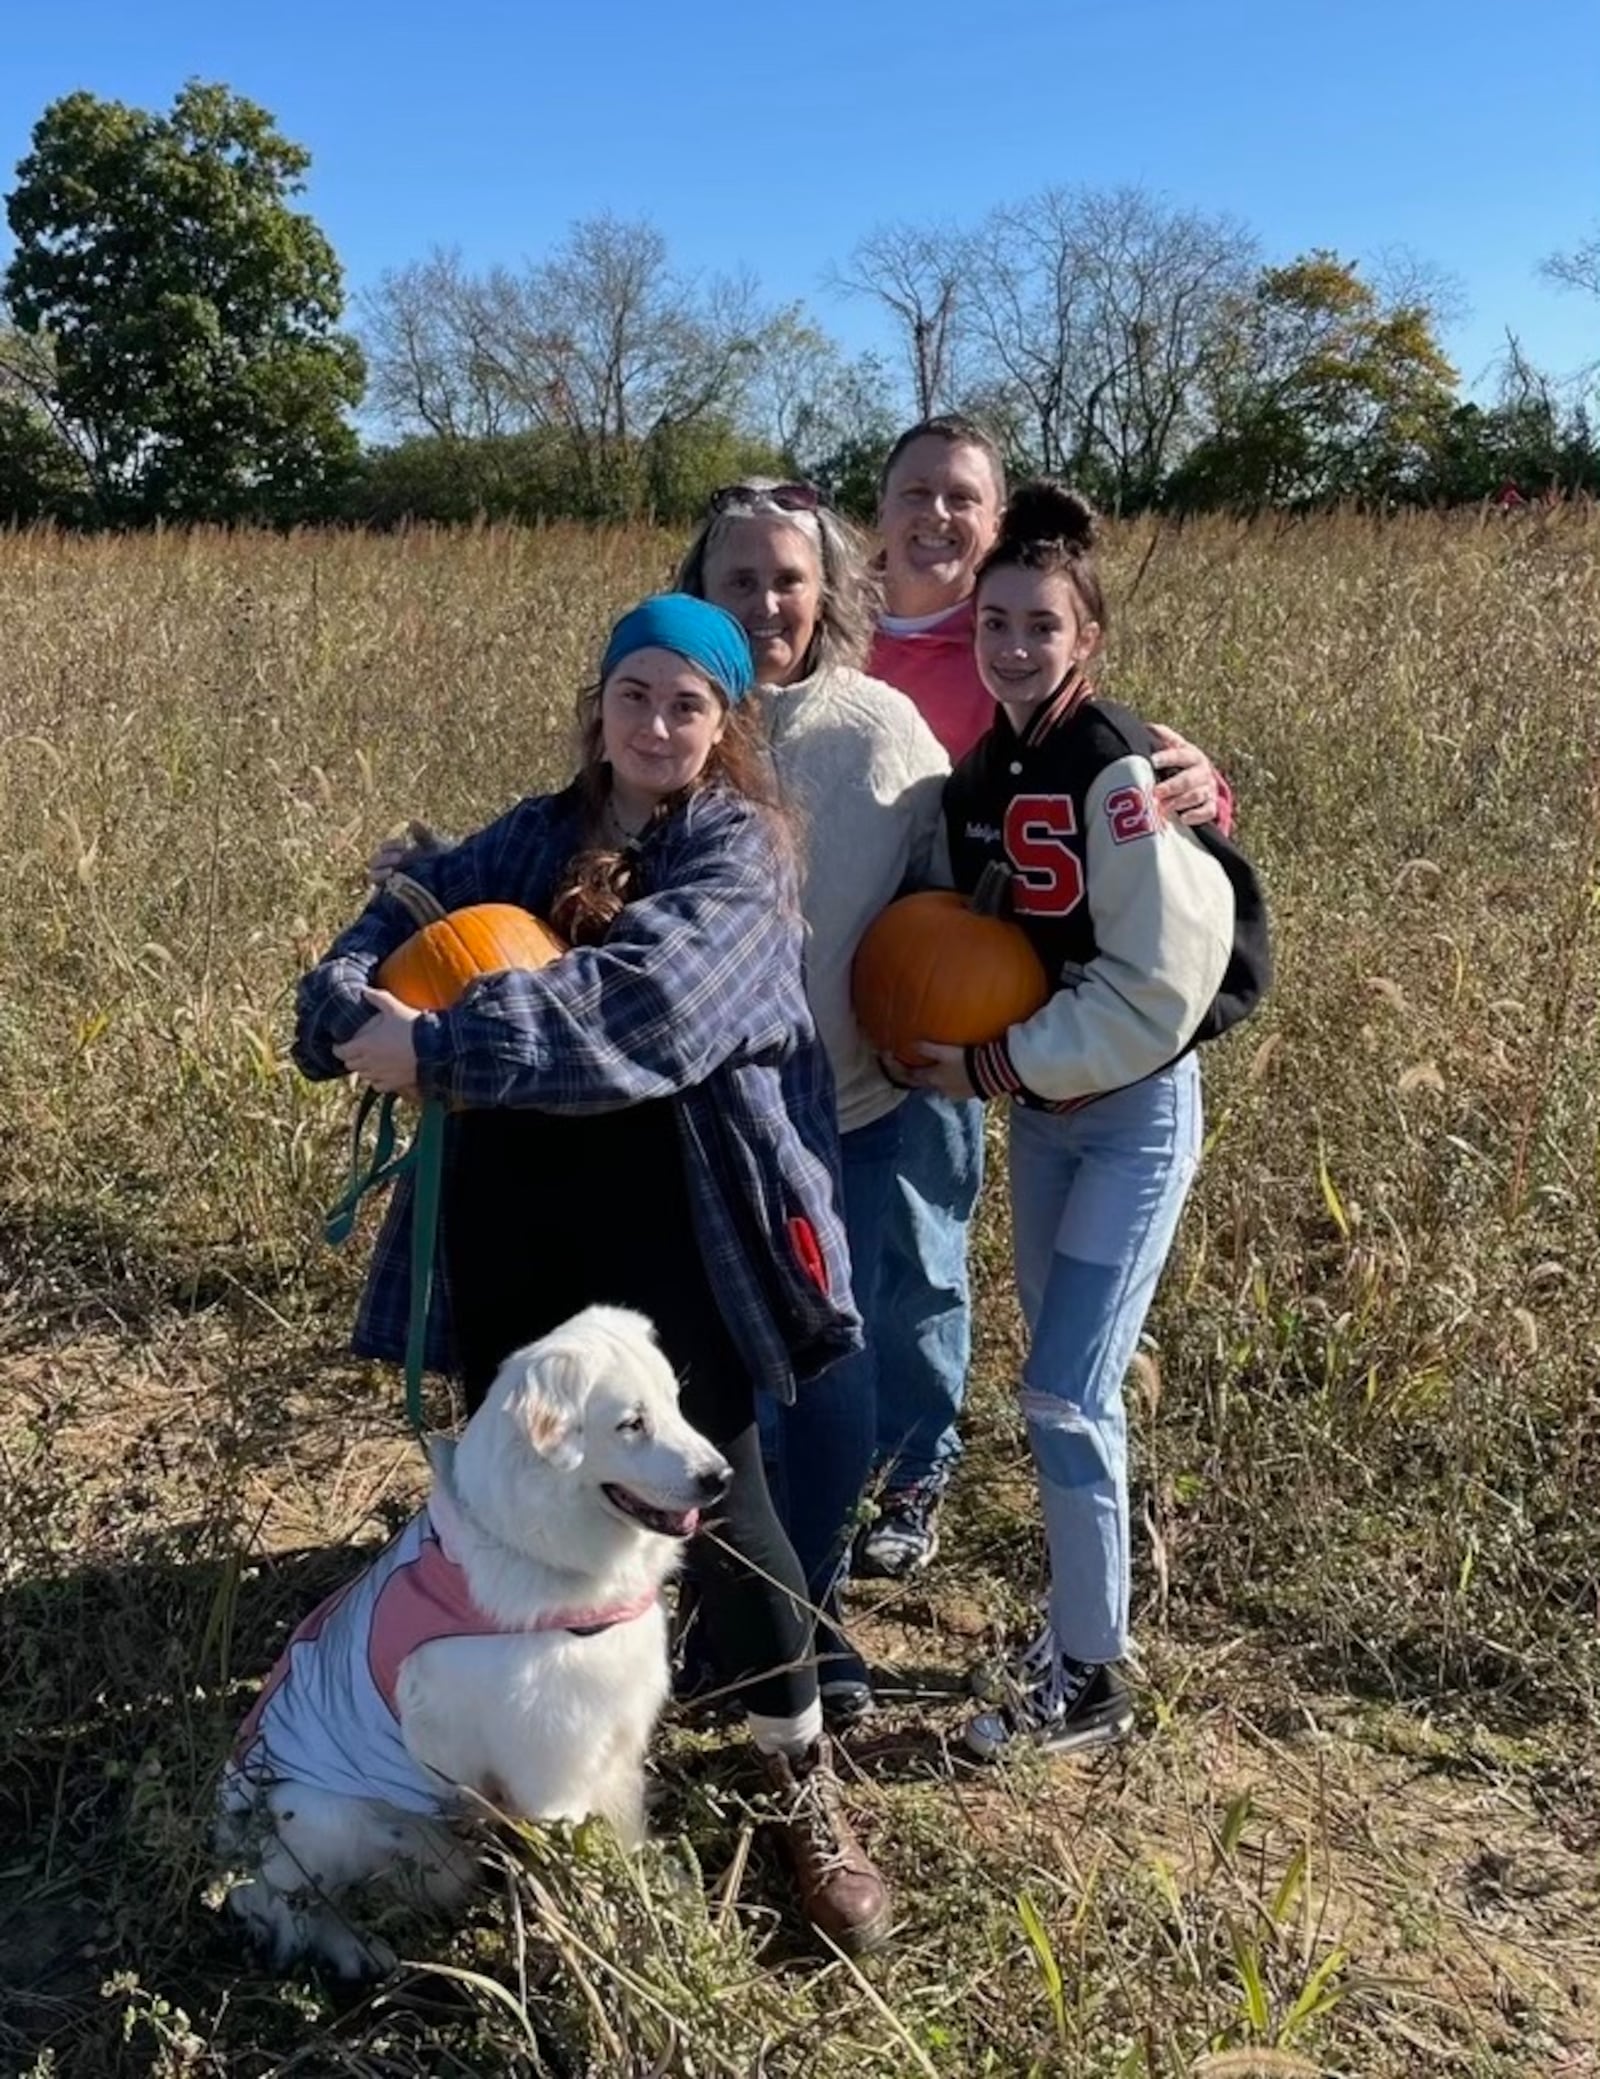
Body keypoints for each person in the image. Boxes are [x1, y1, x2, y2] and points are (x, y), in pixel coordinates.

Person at [293, 594, 891, 1954]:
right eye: (636, 696)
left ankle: (802, 1787)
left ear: (727, 721)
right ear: (600, 705)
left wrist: (439, 1048)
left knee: (722, 1508)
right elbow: (397, 913)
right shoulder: (535, 830)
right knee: (520, 1487)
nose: (659, 725)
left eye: (690, 704)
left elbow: (653, 1004)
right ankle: (529, 1761)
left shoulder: (742, 854)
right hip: (515, 1219)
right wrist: (345, 1007)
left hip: (668, 1225)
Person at [894, 484, 1266, 1757]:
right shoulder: (991, 765)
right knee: (1058, 1386)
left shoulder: (1113, 764)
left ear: (1084, 638)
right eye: (994, 623)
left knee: (1063, 1395)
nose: (1010, 645)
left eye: (1038, 627)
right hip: (1048, 1120)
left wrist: (999, 1060)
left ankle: (1095, 1676)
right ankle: (1076, 1626)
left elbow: (1160, 981)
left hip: (1125, 1116)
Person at [858, 416, 1231, 1580]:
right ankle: (813, 1459)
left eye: (962, 496)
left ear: (996, 517)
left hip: (984, 1011)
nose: (936, 514)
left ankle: (920, 1472)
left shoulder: (1032, 645)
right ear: (876, 509)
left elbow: (1141, 857)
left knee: (925, 1246)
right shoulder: (821, 618)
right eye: (913, 491)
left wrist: (1196, 788)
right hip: (843, 982)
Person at [673, 481, 949, 1716]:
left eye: (789, 578)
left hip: (844, 1105)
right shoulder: (681, 719)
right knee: (718, 1385)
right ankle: (723, 1613)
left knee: (832, 1377)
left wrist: (1173, 790)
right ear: (702, 594)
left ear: (829, 590)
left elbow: (968, 878)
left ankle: (814, 1613)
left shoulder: (881, 731)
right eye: (740, 579)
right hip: (704, 1117)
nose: (767, 600)